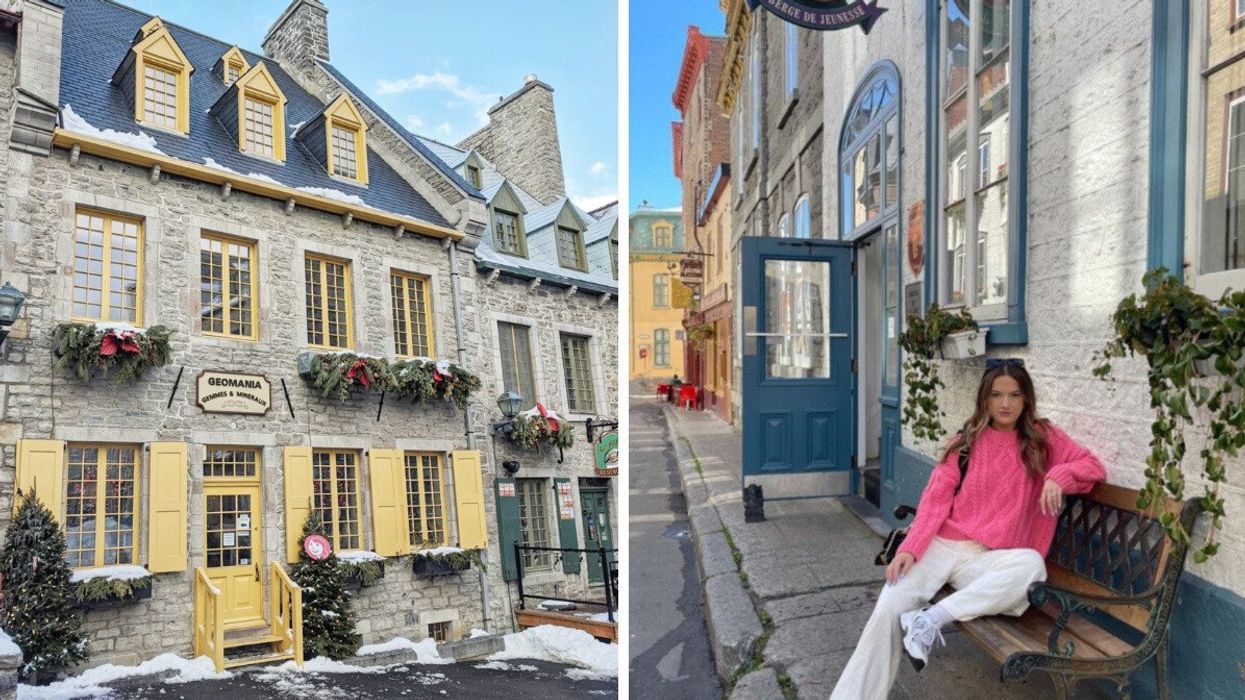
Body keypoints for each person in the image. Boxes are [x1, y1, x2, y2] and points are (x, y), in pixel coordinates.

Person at [829, 361, 1106, 700]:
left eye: (1015, 395)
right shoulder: (967, 441)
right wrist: (909, 549)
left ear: (1026, 399)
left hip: (988, 560)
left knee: (1032, 565)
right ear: (985, 400)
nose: (1006, 404)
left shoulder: (1043, 439)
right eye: (997, 395)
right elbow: (934, 501)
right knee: (888, 607)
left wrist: (1057, 476)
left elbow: (1093, 467)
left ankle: (930, 621)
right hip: (943, 544)